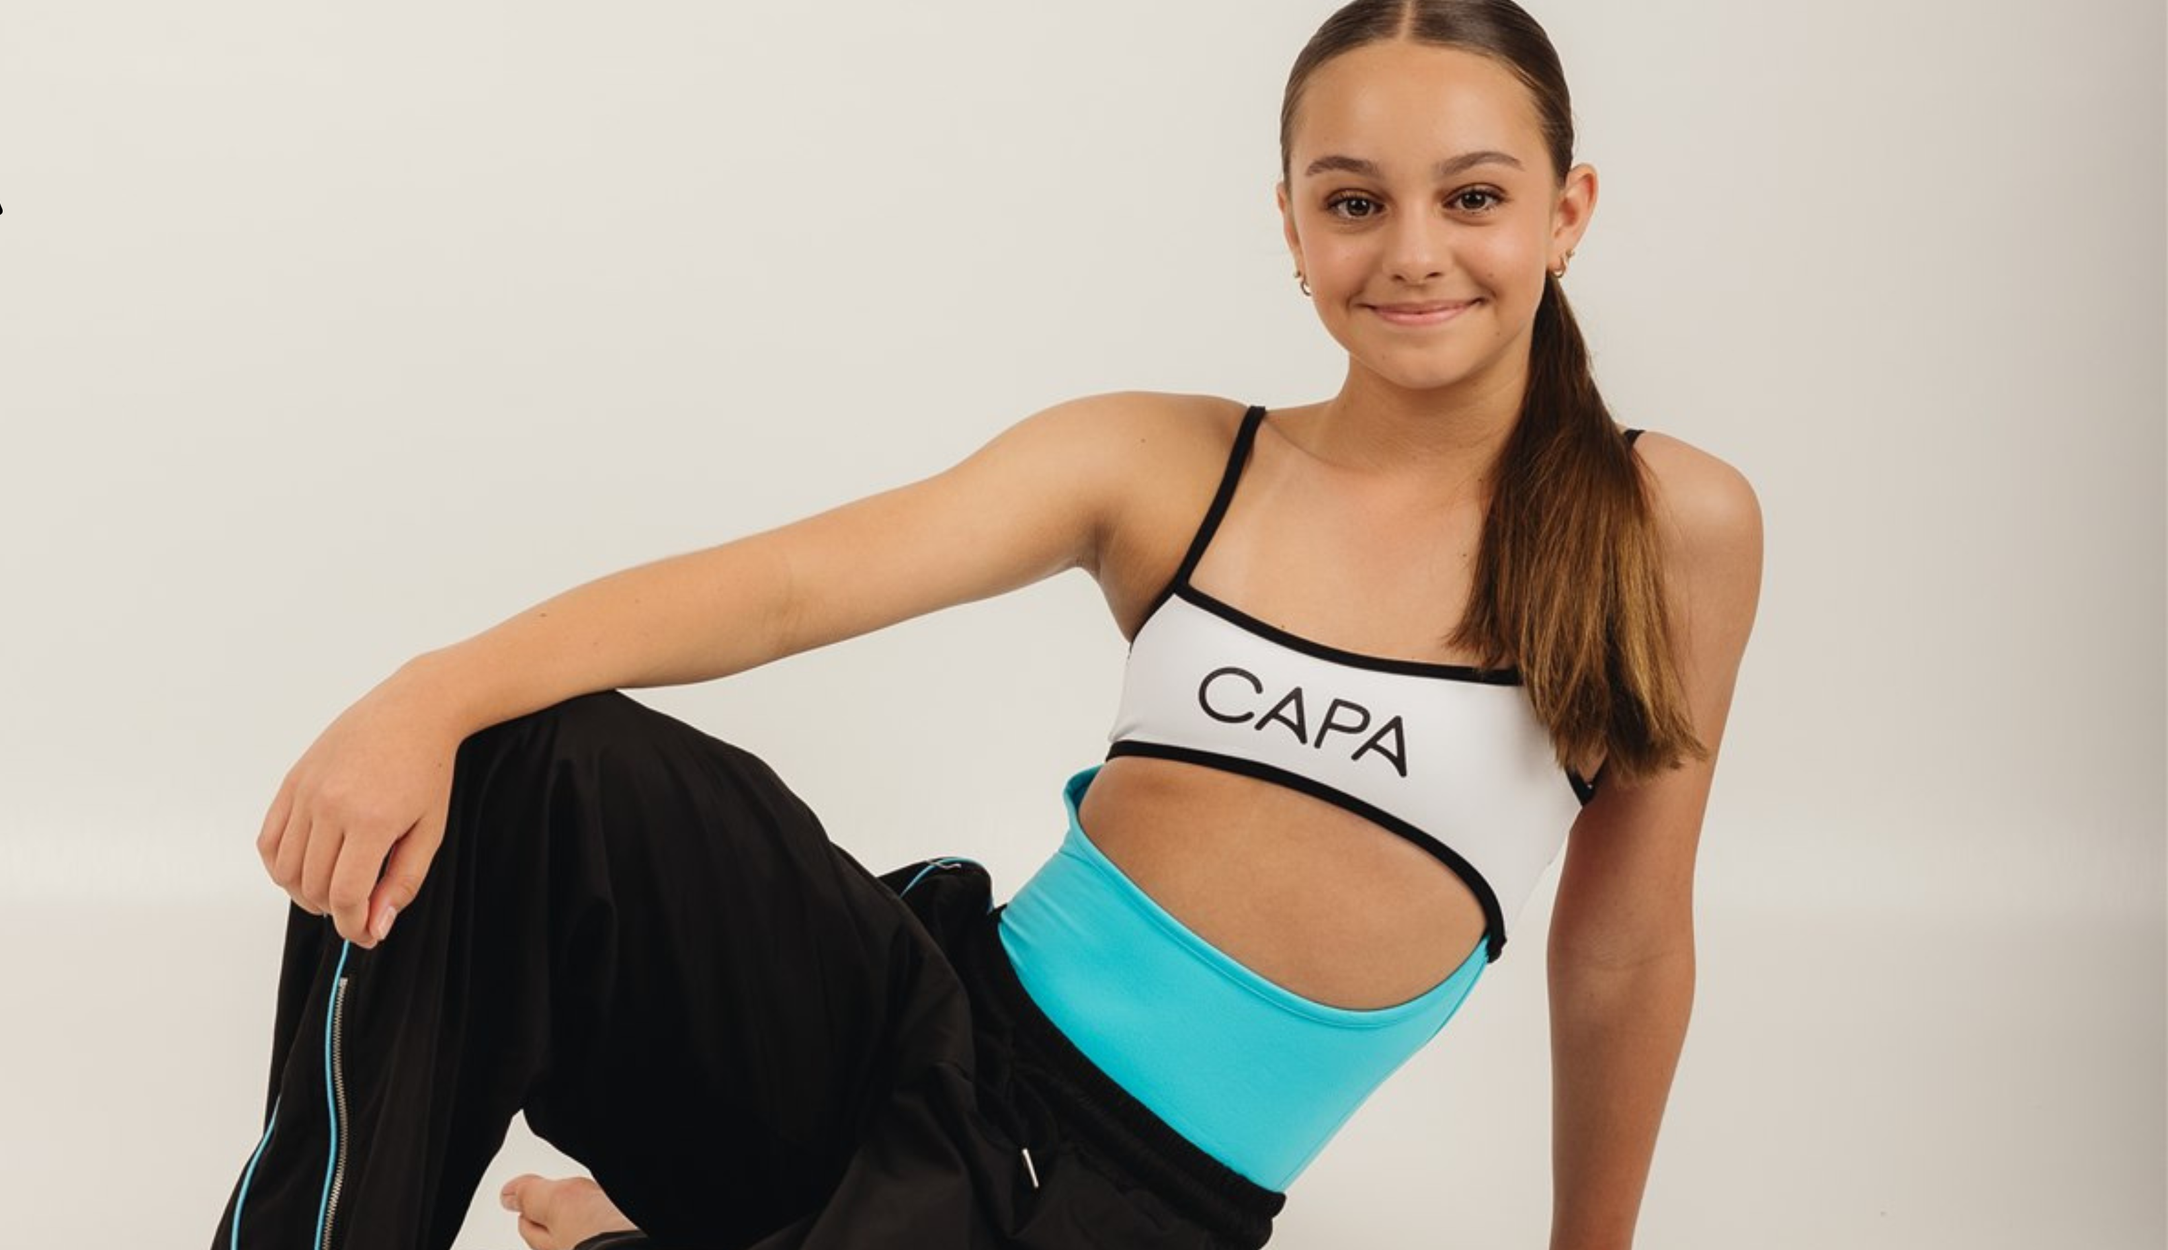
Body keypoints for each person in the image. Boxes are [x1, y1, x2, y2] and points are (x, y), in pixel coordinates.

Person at [210, 2, 1763, 1248]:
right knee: (512, 766)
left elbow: (1624, 945)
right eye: (1354, 201)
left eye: (1473, 197)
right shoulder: (1171, 466)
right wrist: (429, 692)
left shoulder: (1665, 526)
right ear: (1291, 227)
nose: (1413, 251)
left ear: (1567, 213)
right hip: (916, 1023)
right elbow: (790, 587)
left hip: (1122, 1201)